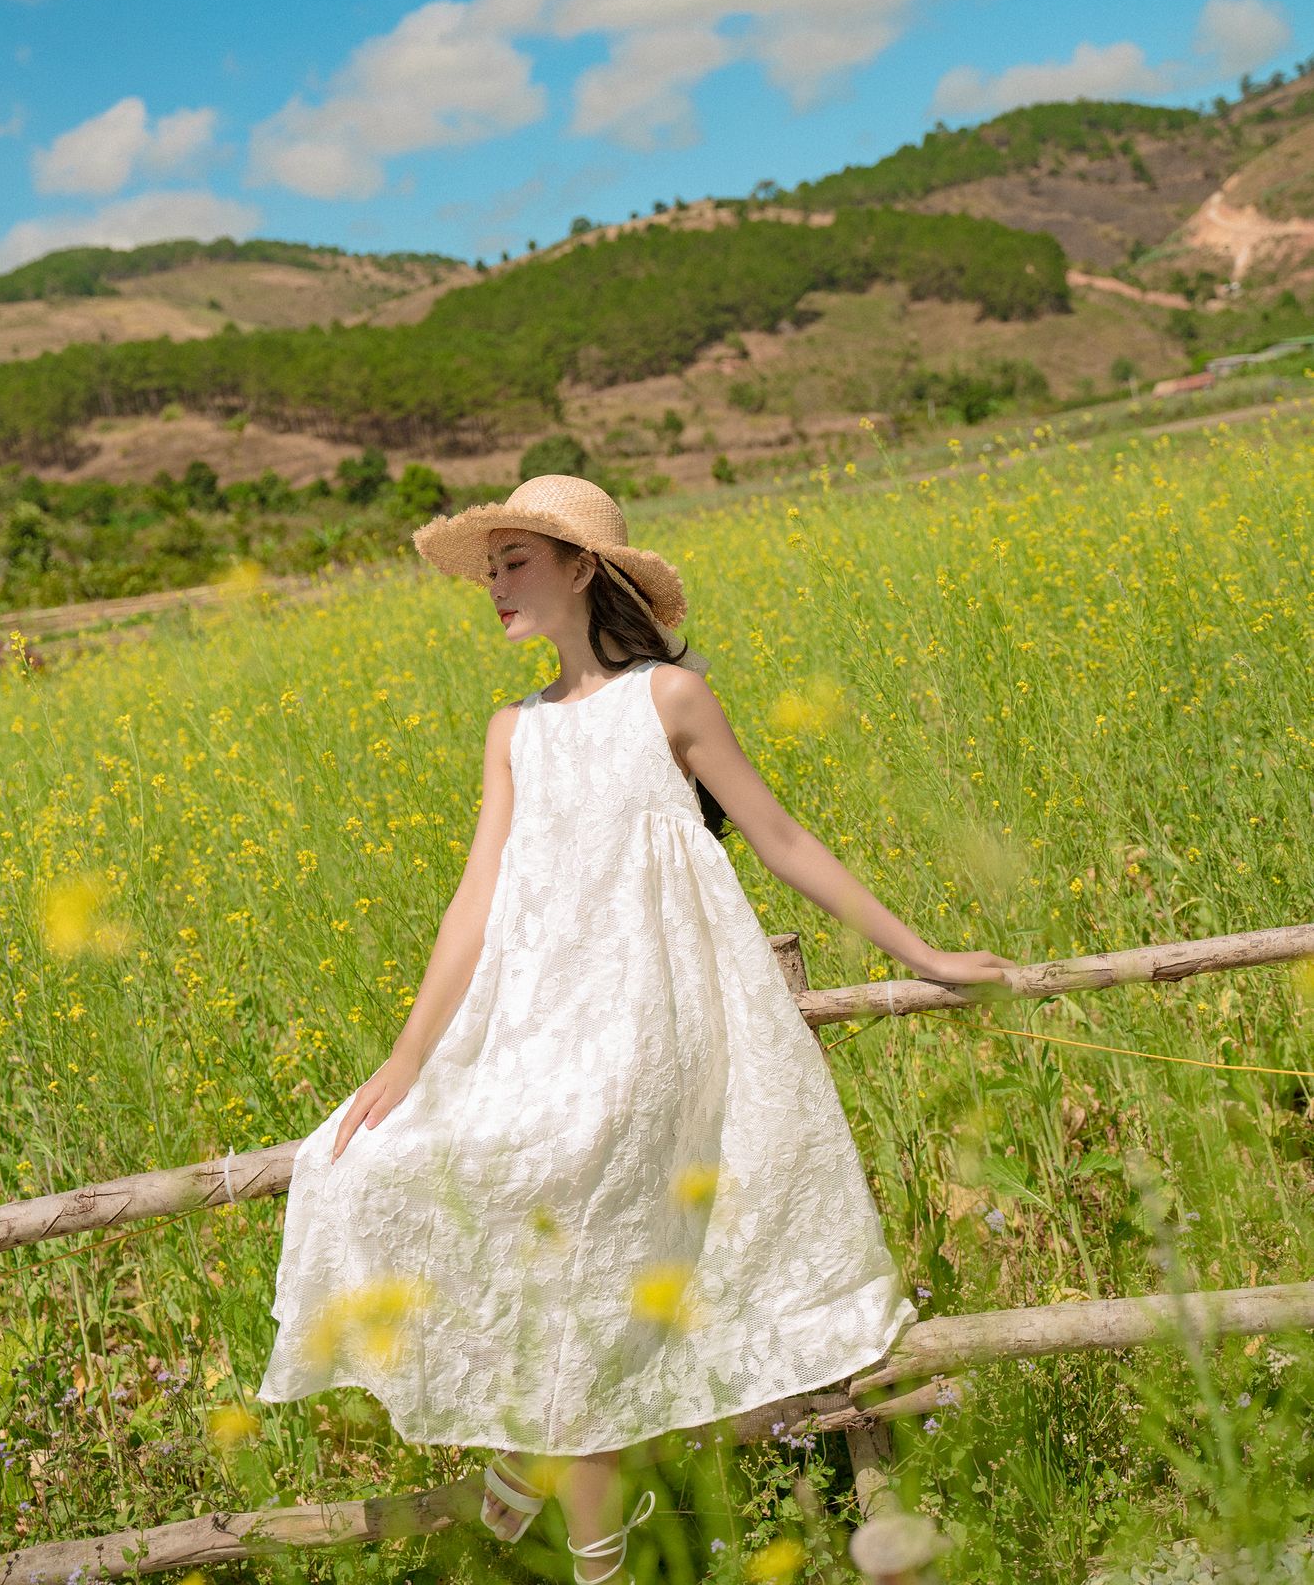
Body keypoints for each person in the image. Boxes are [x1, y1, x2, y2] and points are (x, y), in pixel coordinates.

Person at [256, 473, 1014, 1584]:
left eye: (516, 561)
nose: (495, 586)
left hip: (651, 1026)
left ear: (579, 568)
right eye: (491, 565)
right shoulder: (510, 730)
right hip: (541, 1022)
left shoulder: (669, 700)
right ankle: (548, 1490)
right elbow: (475, 898)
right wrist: (407, 1055)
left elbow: (780, 836)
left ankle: (566, 1521)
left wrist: (924, 953)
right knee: (375, 1162)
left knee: (583, 1245)